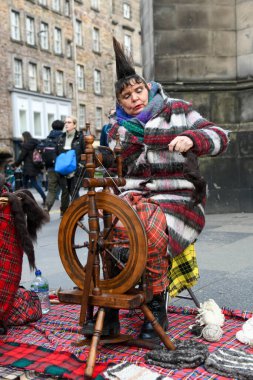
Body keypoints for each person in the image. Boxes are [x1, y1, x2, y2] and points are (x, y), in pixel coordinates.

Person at [94, 37, 229, 341]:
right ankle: (111, 307)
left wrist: (194, 139)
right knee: (112, 224)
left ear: (149, 88)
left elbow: (219, 135)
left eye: (138, 90)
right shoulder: (117, 128)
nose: (134, 98)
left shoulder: (177, 110)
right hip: (136, 194)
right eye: (126, 95)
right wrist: (102, 156)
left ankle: (155, 307)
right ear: (119, 101)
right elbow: (116, 167)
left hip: (178, 196)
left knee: (152, 225)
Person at [56, 116, 86, 208]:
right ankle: (64, 214)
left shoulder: (80, 137)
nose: (66, 124)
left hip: (75, 169)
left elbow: (86, 153)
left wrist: (81, 165)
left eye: (69, 122)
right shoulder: (61, 137)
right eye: (65, 122)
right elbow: (57, 152)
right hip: (63, 170)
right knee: (65, 192)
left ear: (74, 125)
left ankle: (78, 214)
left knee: (74, 192)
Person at [42, 120, 69, 216]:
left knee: (51, 190)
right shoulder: (64, 137)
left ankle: (46, 208)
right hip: (62, 168)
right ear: (62, 127)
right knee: (65, 190)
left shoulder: (47, 139)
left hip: (50, 168)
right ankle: (64, 210)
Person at [13, 132, 46, 205]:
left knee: (29, 184)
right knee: (28, 184)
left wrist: (15, 164)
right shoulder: (35, 144)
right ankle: (27, 199)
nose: (21, 138)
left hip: (28, 168)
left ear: (25, 137)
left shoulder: (26, 145)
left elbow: (22, 156)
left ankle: (42, 198)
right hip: (34, 167)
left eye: (22, 137)